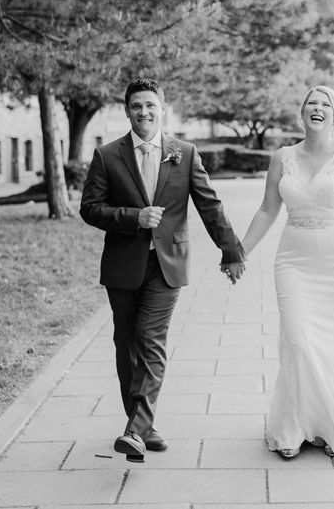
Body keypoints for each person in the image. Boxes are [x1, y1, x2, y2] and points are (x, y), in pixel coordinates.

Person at [79, 78, 246, 463]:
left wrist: (231, 251)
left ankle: (134, 431)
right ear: (127, 111)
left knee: (150, 339)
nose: (144, 112)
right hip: (123, 265)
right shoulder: (107, 155)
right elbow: (90, 209)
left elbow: (210, 205)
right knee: (126, 345)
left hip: (167, 263)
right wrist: (134, 217)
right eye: (137, 106)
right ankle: (143, 426)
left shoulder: (184, 153)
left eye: (151, 105)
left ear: (163, 108)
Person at [239, 85, 334, 464]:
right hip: (294, 262)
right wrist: (239, 250)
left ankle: (329, 424)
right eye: (311, 104)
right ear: (301, 114)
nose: (317, 108)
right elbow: (267, 211)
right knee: (298, 339)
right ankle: (292, 426)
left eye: (325, 104)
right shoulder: (282, 157)